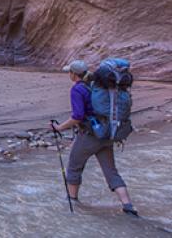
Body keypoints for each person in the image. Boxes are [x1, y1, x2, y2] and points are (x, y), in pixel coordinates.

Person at [51, 60, 139, 217]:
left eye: (69, 72)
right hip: (107, 135)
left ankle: (72, 202)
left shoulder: (77, 89)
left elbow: (77, 117)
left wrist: (59, 128)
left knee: (74, 167)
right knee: (111, 171)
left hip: (90, 136)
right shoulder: (97, 86)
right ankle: (128, 206)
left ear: (73, 74)